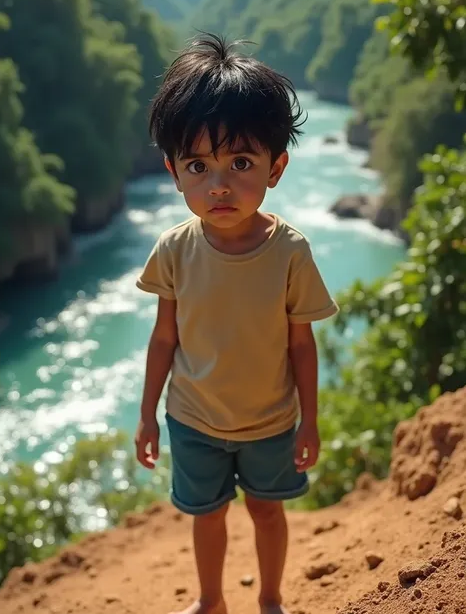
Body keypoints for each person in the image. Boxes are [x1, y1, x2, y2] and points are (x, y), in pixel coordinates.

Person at [135, 34, 338, 614]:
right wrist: (147, 415)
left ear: (277, 168)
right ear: (174, 172)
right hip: (194, 418)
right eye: (198, 165)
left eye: (240, 163)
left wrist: (310, 421)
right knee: (207, 515)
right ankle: (211, 601)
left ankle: (271, 599)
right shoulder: (173, 250)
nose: (218, 185)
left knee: (267, 511)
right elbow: (163, 338)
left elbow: (302, 344)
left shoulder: (290, 252)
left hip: (272, 420)